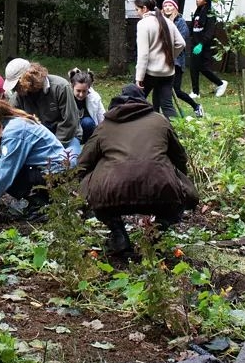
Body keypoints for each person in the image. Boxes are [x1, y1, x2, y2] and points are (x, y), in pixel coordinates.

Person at [76, 84, 199, 255]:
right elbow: (180, 157)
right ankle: (157, 230)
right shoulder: (160, 120)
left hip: (111, 194)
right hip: (160, 190)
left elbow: (83, 162)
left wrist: (81, 189)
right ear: (143, 101)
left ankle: (119, 234)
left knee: (93, 184)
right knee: (182, 191)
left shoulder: (105, 126)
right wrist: (178, 181)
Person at [0, 97, 68, 221]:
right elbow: (0, 164)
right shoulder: (15, 123)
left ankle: (40, 204)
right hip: (48, 170)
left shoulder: (14, 133)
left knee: (6, 174)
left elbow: (4, 172)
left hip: (55, 173)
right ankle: (41, 200)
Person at [4, 58, 83, 165]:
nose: (15, 90)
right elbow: (9, 126)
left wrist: (52, 147)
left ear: (28, 79)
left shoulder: (60, 87)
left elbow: (70, 122)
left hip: (67, 139)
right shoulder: (17, 98)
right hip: (37, 141)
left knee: (68, 163)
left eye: (17, 85)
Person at [133, 0, 185, 119]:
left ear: (144, 8)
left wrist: (139, 77)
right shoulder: (167, 21)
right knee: (167, 106)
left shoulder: (143, 24)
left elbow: (143, 54)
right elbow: (181, 43)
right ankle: (179, 134)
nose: (137, 13)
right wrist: (170, 57)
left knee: (134, 103)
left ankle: (131, 131)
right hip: (168, 72)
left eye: (137, 9)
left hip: (150, 73)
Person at [161, 0, 204, 117]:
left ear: (175, 8)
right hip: (163, 61)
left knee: (176, 90)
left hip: (176, 61)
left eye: (170, 5)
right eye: (165, 6)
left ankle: (196, 106)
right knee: (162, 90)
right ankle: (163, 114)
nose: (168, 8)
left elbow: (180, 41)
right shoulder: (161, 22)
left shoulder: (180, 23)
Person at [189, 0, 228, 99]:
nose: (197, 0)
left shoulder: (210, 14)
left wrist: (201, 44)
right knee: (194, 67)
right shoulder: (197, 13)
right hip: (195, 44)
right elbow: (193, 29)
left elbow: (210, 32)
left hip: (203, 45)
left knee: (202, 67)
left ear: (206, 1)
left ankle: (220, 83)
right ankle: (196, 91)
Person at [68, 67, 106, 142]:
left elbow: (101, 116)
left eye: (84, 91)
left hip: (87, 126)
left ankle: (86, 141)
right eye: (78, 91)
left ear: (89, 88)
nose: (81, 94)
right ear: (72, 87)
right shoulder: (66, 96)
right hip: (71, 127)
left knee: (87, 122)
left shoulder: (95, 97)